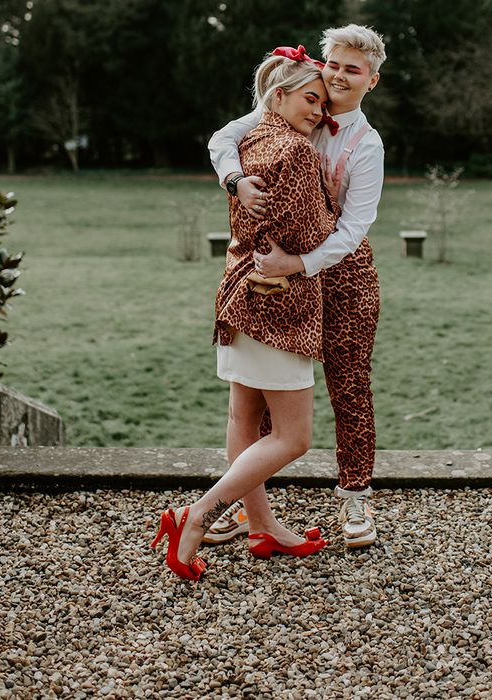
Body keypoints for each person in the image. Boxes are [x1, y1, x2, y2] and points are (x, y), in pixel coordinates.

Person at [151, 49, 339, 580]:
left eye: (323, 105)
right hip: (280, 309)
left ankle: (263, 527)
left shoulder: (249, 141)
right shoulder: (297, 152)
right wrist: (331, 211)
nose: (318, 113)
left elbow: (230, 157)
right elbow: (313, 233)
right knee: (294, 437)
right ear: (277, 96)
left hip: (238, 298)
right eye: (311, 99)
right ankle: (199, 513)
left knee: (243, 421)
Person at [206, 25, 386, 549]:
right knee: (265, 394)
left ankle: (356, 498)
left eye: (353, 69)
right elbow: (224, 138)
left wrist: (297, 263)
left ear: (371, 81)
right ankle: (248, 506)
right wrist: (235, 181)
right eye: (335, 64)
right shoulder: (295, 100)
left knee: (349, 387)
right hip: (282, 277)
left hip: (344, 277)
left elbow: (354, 230)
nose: (339, 76)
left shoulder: (366, 144)